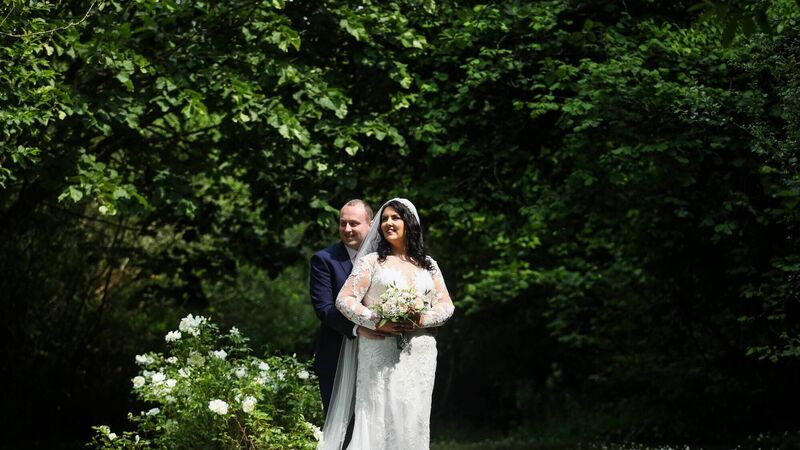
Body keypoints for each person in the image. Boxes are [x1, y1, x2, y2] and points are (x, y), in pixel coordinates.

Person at [319, 198, 455, 450]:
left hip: (420, 353)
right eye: (384, 219)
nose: (388, 223)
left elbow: (446, 306)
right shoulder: (371, 262)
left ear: (409, 223)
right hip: (380, 350)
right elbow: (344, 300)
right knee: (378, 416)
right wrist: (376, 321)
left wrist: (421, 319)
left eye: (395, 218)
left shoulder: (429, 265)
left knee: (413, 419)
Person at [309, 199, 387, 415]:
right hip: (337, 355)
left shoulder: (386, 258)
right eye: (343, 223)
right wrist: (357, 328)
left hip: (380, 355)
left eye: (354, 223)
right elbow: (324, 308)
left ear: (370, 224)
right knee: (342, 425)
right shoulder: (324, 260)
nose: (347, 229)